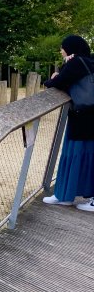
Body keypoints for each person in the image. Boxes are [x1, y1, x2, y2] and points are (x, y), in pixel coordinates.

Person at [42, 34, 94, 211]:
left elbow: (55, 82)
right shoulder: (88, 61)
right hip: (87, 116)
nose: (61, 50)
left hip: (82, 116)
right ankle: (65, 195)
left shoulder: (76, 63)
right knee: (84, 154)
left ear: (70, 48)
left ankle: (66, 196)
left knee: (73, 153)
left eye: (63, 47)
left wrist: (54, 76)